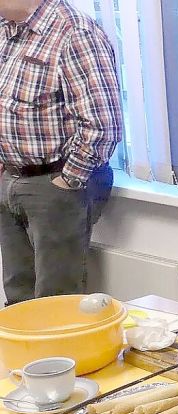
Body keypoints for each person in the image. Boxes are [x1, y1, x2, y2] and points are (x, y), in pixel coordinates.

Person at [0, 0, 122, 305]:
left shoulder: (74, 33)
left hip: (55, 183)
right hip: (11, 178)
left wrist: (67, 182)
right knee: (18, 296)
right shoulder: (7, 30)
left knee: (56, 301)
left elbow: (103, 124)